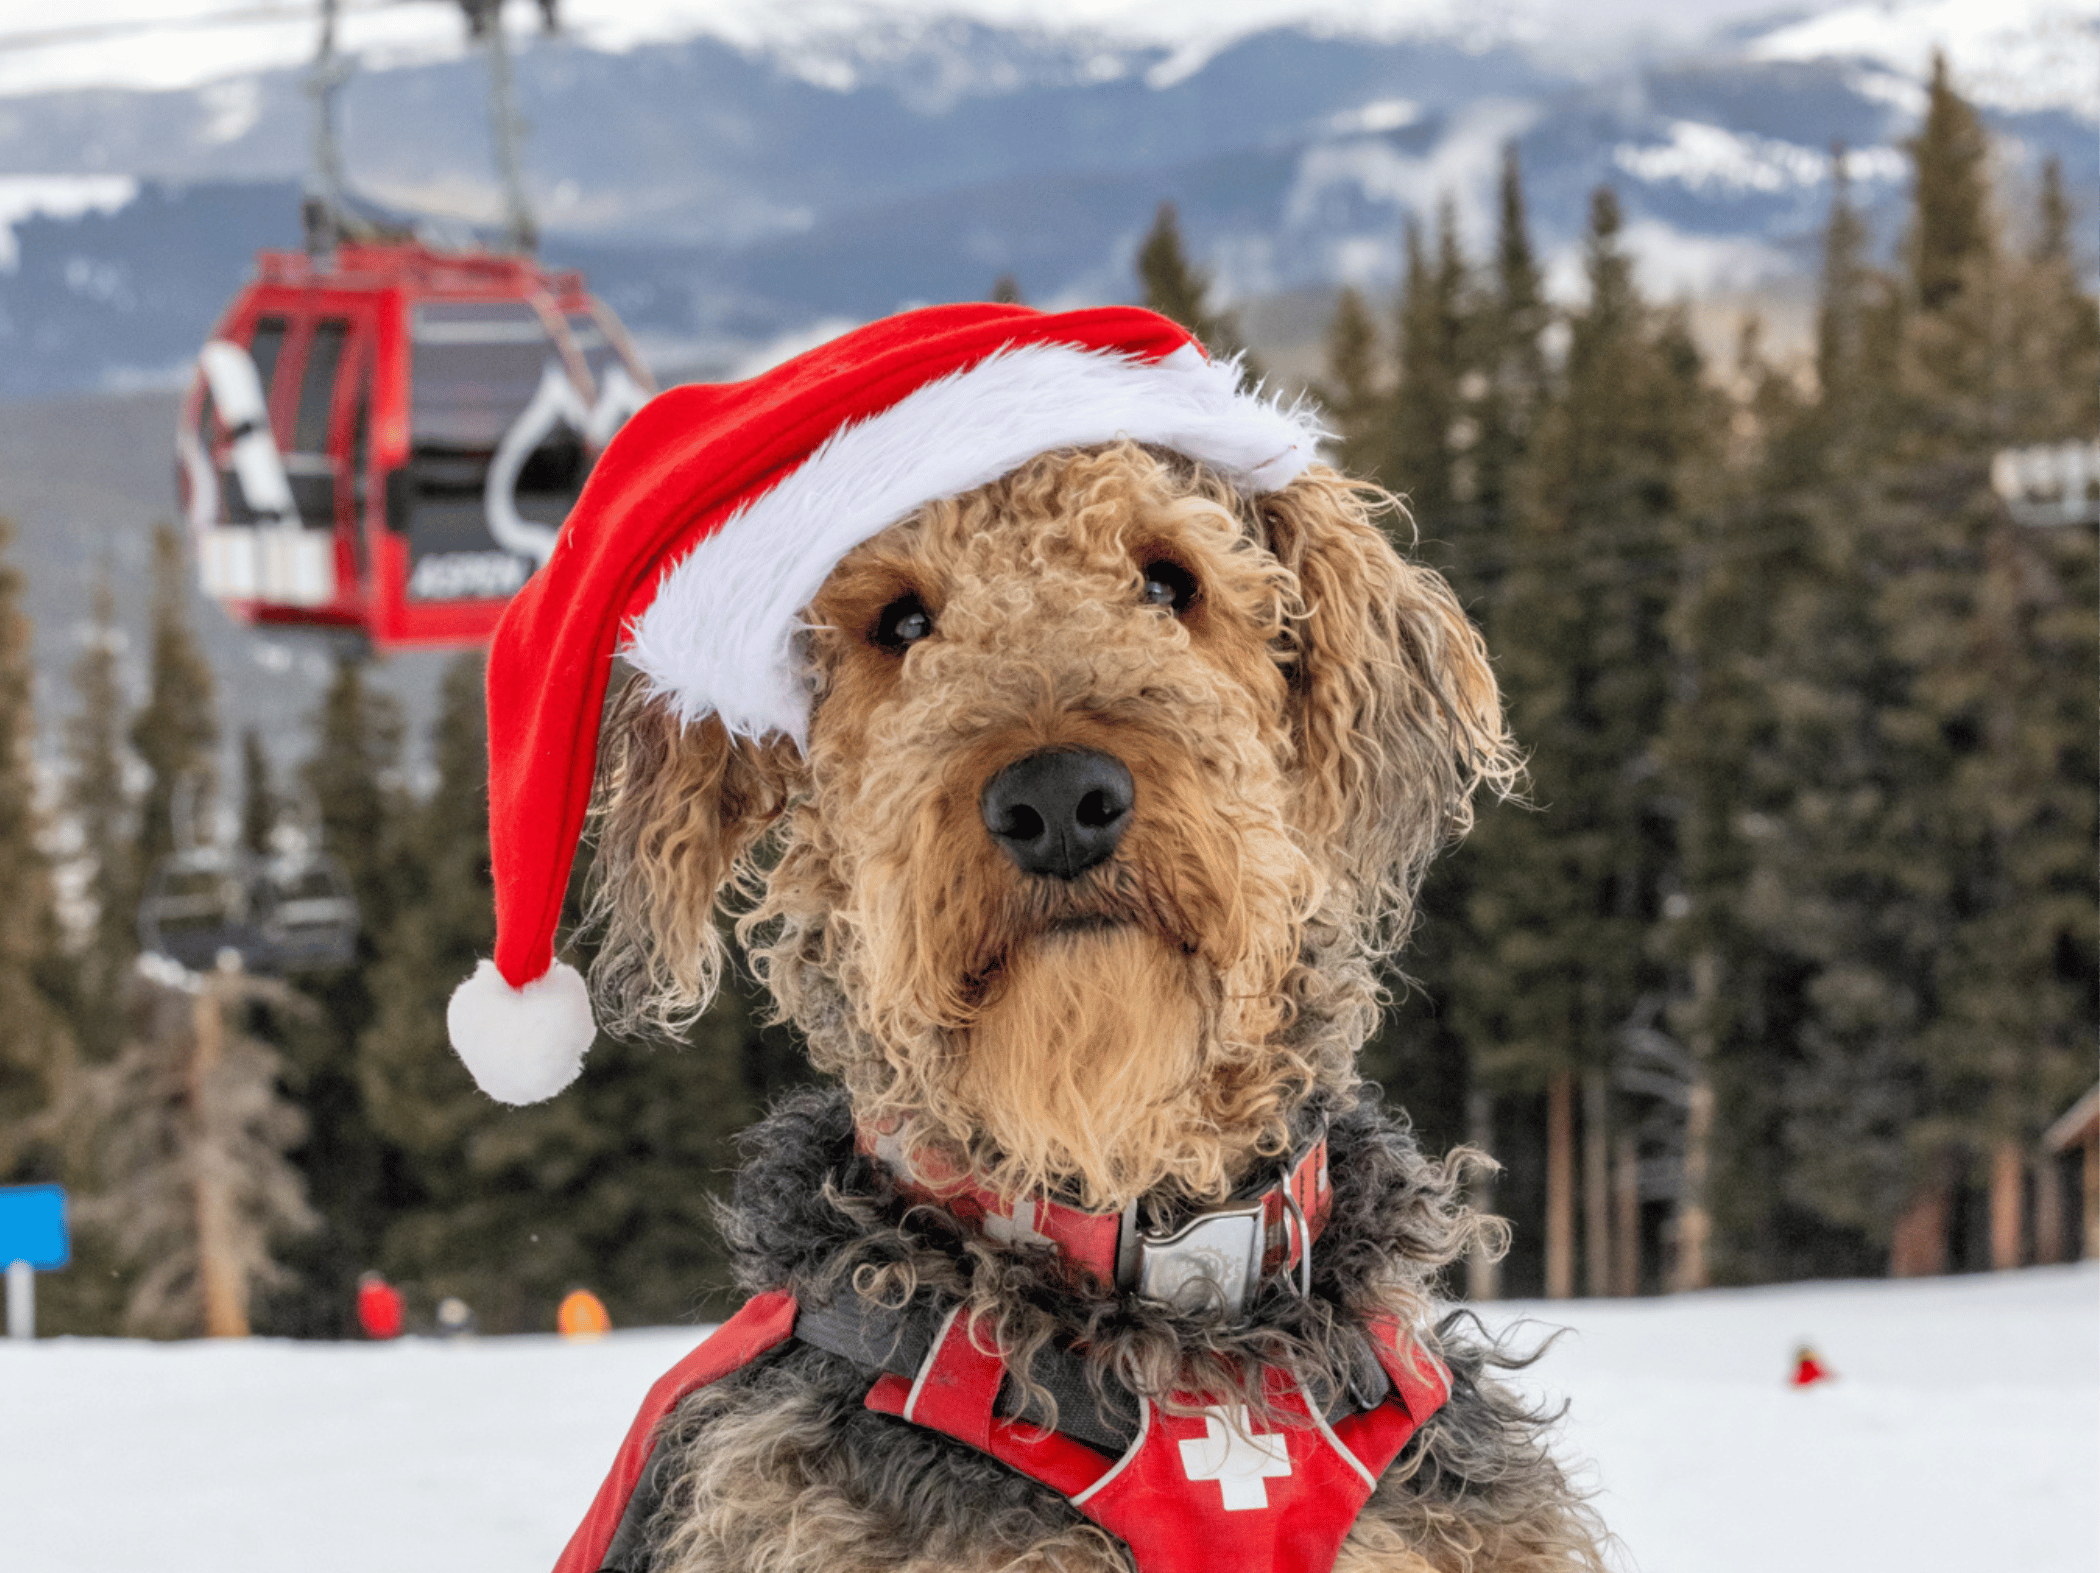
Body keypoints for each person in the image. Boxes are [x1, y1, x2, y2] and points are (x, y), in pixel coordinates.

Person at [356, 1270, 404, 1340]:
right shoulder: (364, 1298)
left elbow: (394, 1313)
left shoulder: (387, 1294)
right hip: (374, 1335)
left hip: (387, 1334)